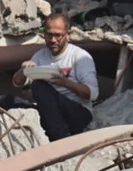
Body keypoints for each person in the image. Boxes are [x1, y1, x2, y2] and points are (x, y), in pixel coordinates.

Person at [13, 13, 99, 141]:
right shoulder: (40, 56)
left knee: (39, 86)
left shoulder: (80, 57)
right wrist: (23, 70)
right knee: (9, 101)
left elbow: (93, 94)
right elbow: (17, 82)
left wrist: (65, 83)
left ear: (68, 35)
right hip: (51, 112)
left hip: (77, 112)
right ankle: (53, 132)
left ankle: (61, 138)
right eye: (49, 35)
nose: (53, 40)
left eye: (58, 35)